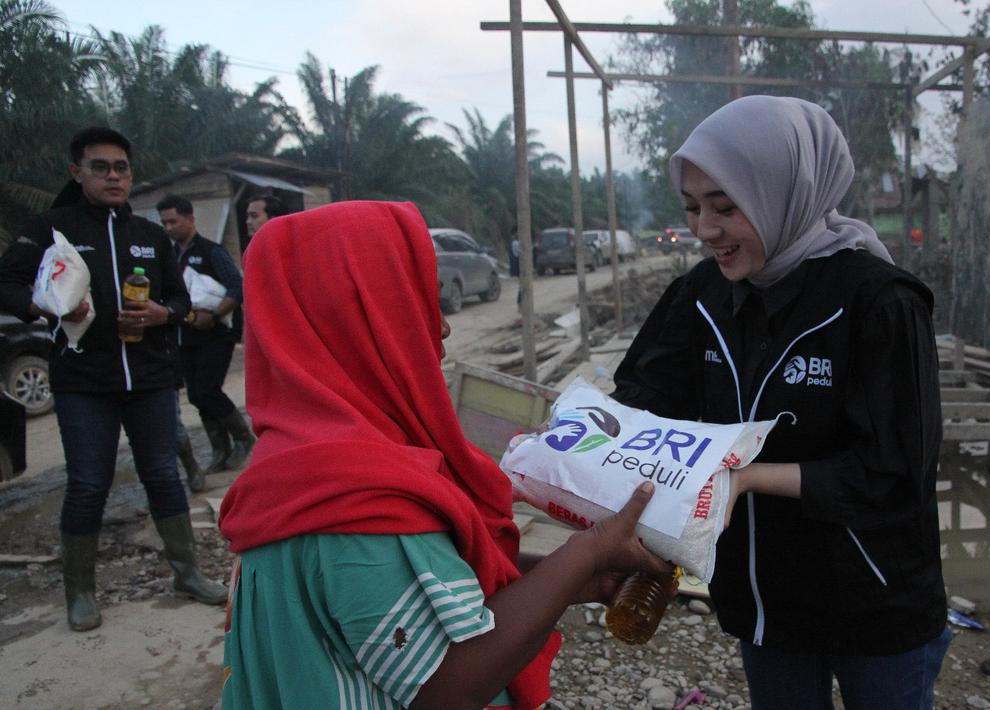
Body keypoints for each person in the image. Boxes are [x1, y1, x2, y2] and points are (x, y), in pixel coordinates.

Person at [218, 201, 670, 709]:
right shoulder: (355, 501)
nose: (445, 328)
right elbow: (445, 688)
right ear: (360, 319)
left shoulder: (296, 457)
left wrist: (565, 579)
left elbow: (427, 568)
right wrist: (587, 550)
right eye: (419, 300)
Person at [612, 95, 950, 710]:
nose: (704, 231)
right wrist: (589, 444)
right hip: (764, 598)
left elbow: (896, 472)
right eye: (692, 208)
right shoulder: (700, 295)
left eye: (725, 207)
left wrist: (744, 478)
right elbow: (641, 400)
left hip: (875, 598)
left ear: (782, 192)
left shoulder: (879, 302)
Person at [0, 127, 227, 631]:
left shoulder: (149, 236)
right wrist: (44, 305)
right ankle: (79, 592)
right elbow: (7, 282)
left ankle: (187, 572)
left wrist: (161, 315)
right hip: (84, 381)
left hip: (149, 377)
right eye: (100, 167)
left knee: (164, 476)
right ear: (76, 172)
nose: (113, 176)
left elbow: (182, 299)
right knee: (87, 484)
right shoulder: (49, 228)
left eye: (121, 167)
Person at [157, 194, 254, 485]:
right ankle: (219, 449)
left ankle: (243, 438)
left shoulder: (212, 252)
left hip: (217, 333)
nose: (169, 227)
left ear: (190, 219)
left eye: (173, 221)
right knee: (197, 395)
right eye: (164, 223)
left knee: (209, 389)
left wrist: (213, 315)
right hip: (185, 334)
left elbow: (237, 288)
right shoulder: (172, 256)